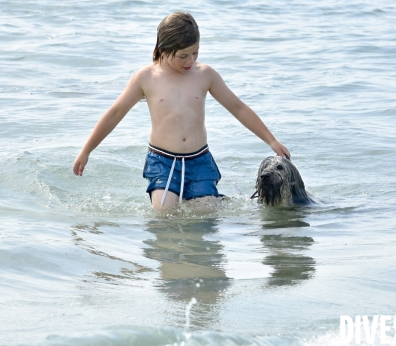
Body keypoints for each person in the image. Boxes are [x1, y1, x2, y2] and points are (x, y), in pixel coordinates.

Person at [73, 12, 290, 210]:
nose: (191, 60)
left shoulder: (205, 75)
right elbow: (115, 113)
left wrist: (271, 141)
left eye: (195, 52)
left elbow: (238, 108)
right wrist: (86, 150)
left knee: (206, 214)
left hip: (199, 160)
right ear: (164, 49)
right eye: (183, 56)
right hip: (162, 161)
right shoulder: (146, 78)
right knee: (164, 214)